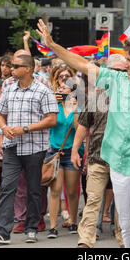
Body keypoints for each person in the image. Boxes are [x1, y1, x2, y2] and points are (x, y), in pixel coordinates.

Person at [36, 19, 130, 248]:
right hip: (117, 163)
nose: (127, 65)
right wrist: (52, 45)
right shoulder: (117, 81)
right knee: (124, 223)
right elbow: (83, 65)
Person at [0, 54, 58, 245]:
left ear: (28, 69)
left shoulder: (43, 90)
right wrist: (4, 128)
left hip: (34, 147)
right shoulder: (9, 88)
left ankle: (31, 228)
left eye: (16, 66)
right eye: (11, 66)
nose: (11, 69)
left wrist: (25, 128)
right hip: (12, 147)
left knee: (34, 188)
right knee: (7, 188)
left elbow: (52, 119)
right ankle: (2, 232)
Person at [73, 54, 127, 248]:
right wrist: (74, 151)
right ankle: (85, 240)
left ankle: (124, 240)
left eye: (124, 71)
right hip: (97, 157)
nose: (121, 75)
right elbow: (82, 125)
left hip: (123, 159)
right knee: (93, 200)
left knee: (122, 204)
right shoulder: (96, 96)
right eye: (117, 71)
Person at [47, 66, 82, 238]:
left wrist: (74, 106)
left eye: (67, 77)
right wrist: (55, 102)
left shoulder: (79, 102)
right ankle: (52, 226)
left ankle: (73, 221)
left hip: (73, 152)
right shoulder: (52, 102)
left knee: (71, 191)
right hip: (55, 151)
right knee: (55, 190)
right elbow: (49, 123)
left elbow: (78, 129)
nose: (63, 80)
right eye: (60, 77)